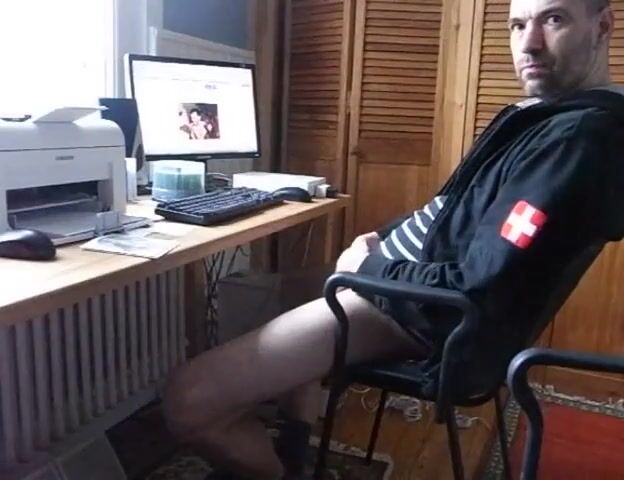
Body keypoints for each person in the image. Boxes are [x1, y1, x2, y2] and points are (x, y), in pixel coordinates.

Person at [163, 0, 624, 478]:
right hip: (396, 284)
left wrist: (370, 267)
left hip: (417, 312)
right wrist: (381, 240)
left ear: (602, 26)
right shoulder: (550, 114)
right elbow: (451, 211)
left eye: (554, 19)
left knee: (187, 401)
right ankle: (296, 442)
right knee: (269, 294)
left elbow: (479, 284)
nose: (529, 44)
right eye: (517, 24)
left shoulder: (578, 140)